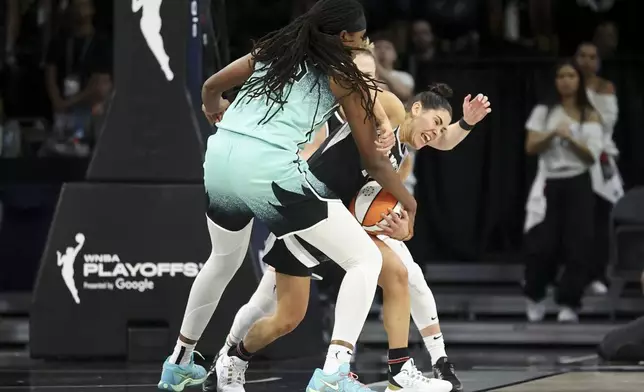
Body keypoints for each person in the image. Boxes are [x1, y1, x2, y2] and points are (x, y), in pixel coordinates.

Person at [157, 1, 415, 391]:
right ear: (346, 37)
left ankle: (177, 363)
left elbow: (211, 86)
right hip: (268, 173)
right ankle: (335, 374)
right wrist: (411, 204)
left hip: (221, 158)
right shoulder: (342, 73)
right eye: (363, 38)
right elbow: (376, 164)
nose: (365, 46)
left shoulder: (275, 48)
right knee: (363, 259)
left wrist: (215, 107)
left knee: (222, 262)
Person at [207, 47, 490, 392]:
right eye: (435, 122)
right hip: (306, 206)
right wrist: (380, 111)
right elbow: (368, 93)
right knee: (282, 316)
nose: (437, 132)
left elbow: (442, 140)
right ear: (416, 108)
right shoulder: (393, 110)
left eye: (441, 129)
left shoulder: (406, 148)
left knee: (399, 274)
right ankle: (232, 357)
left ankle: (396, 371)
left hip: (335, 219)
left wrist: (465, 123)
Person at [523, 59, 603, 323]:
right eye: (561, 76)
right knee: (542, 243)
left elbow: (592, 156)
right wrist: (553, 134)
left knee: (577, 244)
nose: (566, 80)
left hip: (578, 182)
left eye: (571, 75)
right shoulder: (544, 112)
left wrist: (570, 139)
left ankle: (570, 302)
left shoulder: (588, 114)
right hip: (549, 182)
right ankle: (535, 295)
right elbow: (531, 146)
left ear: (579, 81)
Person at [575, 41, 623, 295]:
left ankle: (598, 274)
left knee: (599, 222)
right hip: (568, 161)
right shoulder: (564, 87)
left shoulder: (606, 88)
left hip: (598, 159)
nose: (587, 61)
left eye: (592, 56)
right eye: (582, 56)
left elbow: (605, 123)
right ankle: (571, 276)